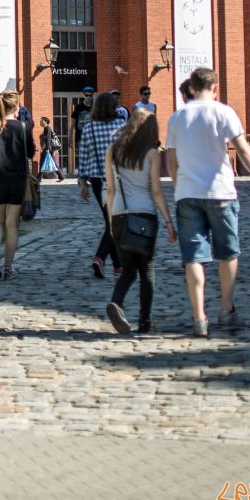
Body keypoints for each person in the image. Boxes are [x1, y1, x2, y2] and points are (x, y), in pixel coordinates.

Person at [165, 67, 250, 338]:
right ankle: (226, 308)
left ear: (191, 88)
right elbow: (243, 149)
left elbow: (171, 160)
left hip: (189, 194)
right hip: (221, 193)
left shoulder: (177, 117)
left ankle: (198, 316)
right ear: (215, 88)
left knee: (193, 257)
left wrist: (179, 186)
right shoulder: (224, 112)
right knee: (227, 252)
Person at [104, 109, 176, 334]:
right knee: (147, 270)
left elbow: (111, 190)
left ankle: (116, 301)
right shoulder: (152, 154)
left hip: (119, 215)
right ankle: (144, 321)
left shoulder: (113, 150)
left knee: (127, 269)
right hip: (144, 215)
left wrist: (110, 222)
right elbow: (156, 190)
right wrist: (168, 221)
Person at [0, 90, 34, 280]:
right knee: (12, 226)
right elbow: (31, 152)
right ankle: (8, 268)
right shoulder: (23, 127)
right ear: (17, 107)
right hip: (18, 182)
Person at [77, 91, 127, 278]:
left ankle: (117, 264)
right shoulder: (121, 125)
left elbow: (83, 156)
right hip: (118, 179)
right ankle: (100, 257)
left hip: (98, 181)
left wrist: (82, 183)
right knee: (114, 223)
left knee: (110, 220)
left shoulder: (90, 128)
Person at [70, 88, 96, 175]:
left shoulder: (95, 107)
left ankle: (89, 176)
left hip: (93, 137)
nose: (88, 97)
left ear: (92, 96)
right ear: (84, 96)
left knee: (92, 158)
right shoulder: (79, 107)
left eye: (90, 95)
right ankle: (81, 177)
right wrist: (70, 137)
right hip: (80, 137)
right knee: (82, 158)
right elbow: (72, 124)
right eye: (87, 95)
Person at [38, 117, 64, 181]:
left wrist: (47, 149)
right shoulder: (46, 128)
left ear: (46, 122)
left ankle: (39, 178)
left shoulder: (47, 128)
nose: (40, 122)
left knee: (44, 163)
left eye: (42, 121)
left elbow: (48, 139)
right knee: (44, 163)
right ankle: (61, 176)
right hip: (47, 149)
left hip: (47, 149)